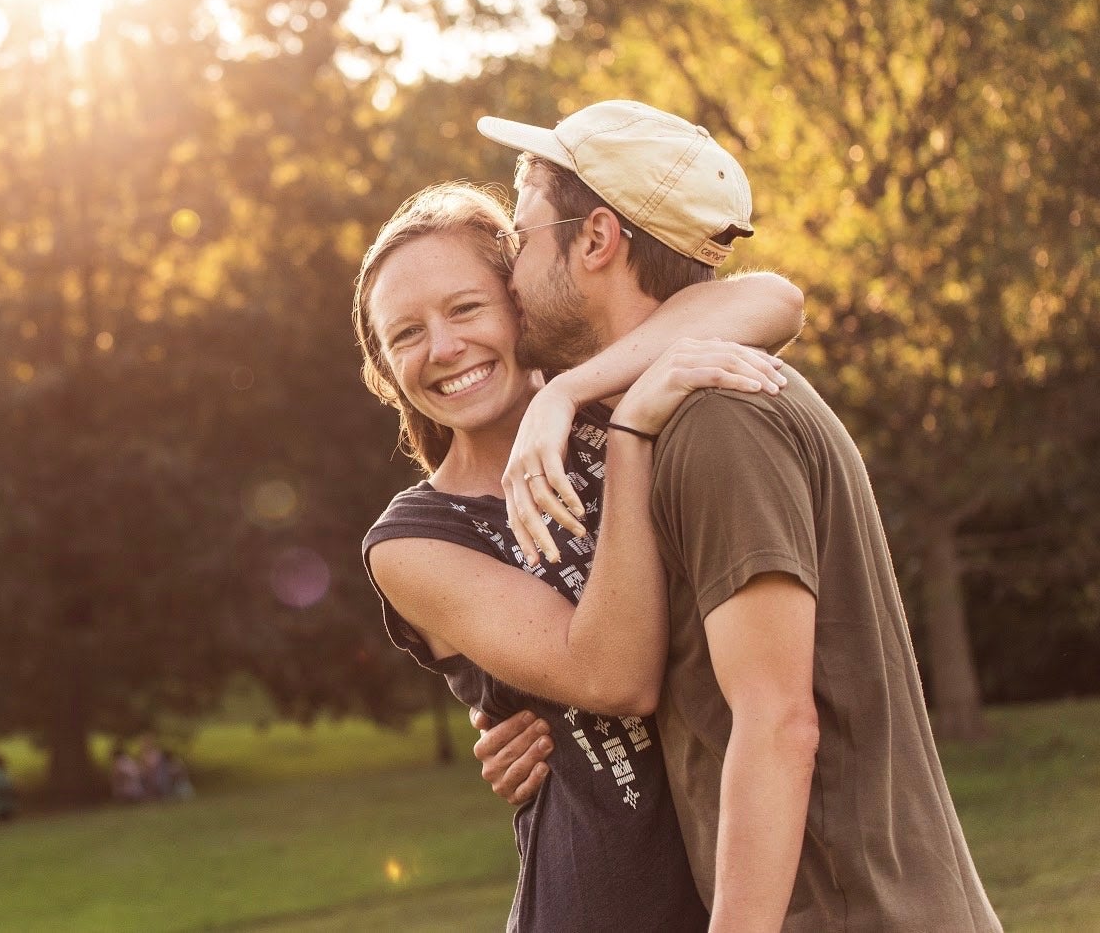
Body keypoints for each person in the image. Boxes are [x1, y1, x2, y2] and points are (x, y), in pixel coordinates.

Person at [474, 99, 1000, 930]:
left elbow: (779, 721)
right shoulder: (660, 413)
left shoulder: (719, 419)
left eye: (523, 231)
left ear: (598, 239)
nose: (508, 266)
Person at [355, 182, 801, 931]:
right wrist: (631, 437)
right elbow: (614, 676)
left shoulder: (618, 383)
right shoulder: (414, 541)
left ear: (519, 302)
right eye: (405, 335)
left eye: (466, 309)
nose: (443, 348)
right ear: (385, 369)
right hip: (602, 903)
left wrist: (576, 395)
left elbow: (774, 300)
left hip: (745, 875)